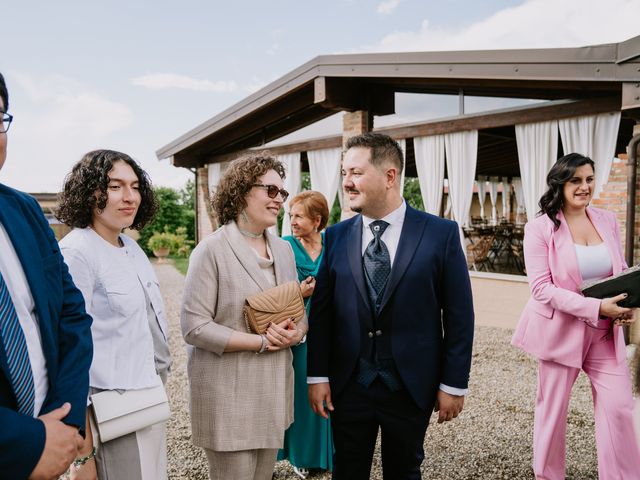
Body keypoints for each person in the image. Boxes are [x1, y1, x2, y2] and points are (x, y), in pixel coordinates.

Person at [307, 132, 474, 480]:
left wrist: (453, 384)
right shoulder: (336, 236)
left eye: (355, 172)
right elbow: (322, 313)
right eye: (343, 173)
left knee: (405, 471)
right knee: (347, 471)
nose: (346, 182)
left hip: (411, 384)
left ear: (390, 176)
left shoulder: (440, 234)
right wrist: (318, 374)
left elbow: (459, 315)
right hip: (349, 384)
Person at [511, 153, 640, 479]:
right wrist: (597, 307)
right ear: (560, 184)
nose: (584, 187)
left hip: (605, 335)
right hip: (560, 333)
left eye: (589, 179)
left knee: (620, 409)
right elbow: (541, 288)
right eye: (576, 181)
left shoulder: (607, 219)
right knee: (552, 416)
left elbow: (619, 270)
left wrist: (626, 306)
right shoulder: (539, 228)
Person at [181, 153, 308, 480]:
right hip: (228, 397)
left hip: (273, 393)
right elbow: (194, 327)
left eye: (282, 192)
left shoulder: (283, 250)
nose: (279, 199)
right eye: (270, 190)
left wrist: (298, 333)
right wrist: (262, 342)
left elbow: (296, 308)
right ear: (239, 191)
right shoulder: (210, 251)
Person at [0, 72, 93, 479]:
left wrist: (65, 421)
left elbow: (71, 315)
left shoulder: (23, 211)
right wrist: (26, 442)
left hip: (53, 432)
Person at [57, 149, 171, 480]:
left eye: (135, 186)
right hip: (110, 412)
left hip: (149, 397)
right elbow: (69, 353)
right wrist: (84, 453)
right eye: (115, 186)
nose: (129, 196)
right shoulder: (77, 253)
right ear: (91, 190)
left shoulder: (131, 247)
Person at [278, 191, 333, 478]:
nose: (292, 221)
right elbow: (273, 290)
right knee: (302, 391)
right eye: (290, 216)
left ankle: (330, 452)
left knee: (333, 389)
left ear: (317, 220)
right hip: (299, 331)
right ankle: (302, 455)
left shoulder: (333, 244)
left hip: (333, 330)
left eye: (298, 216)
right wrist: (300, 291)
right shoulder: (285, 246)